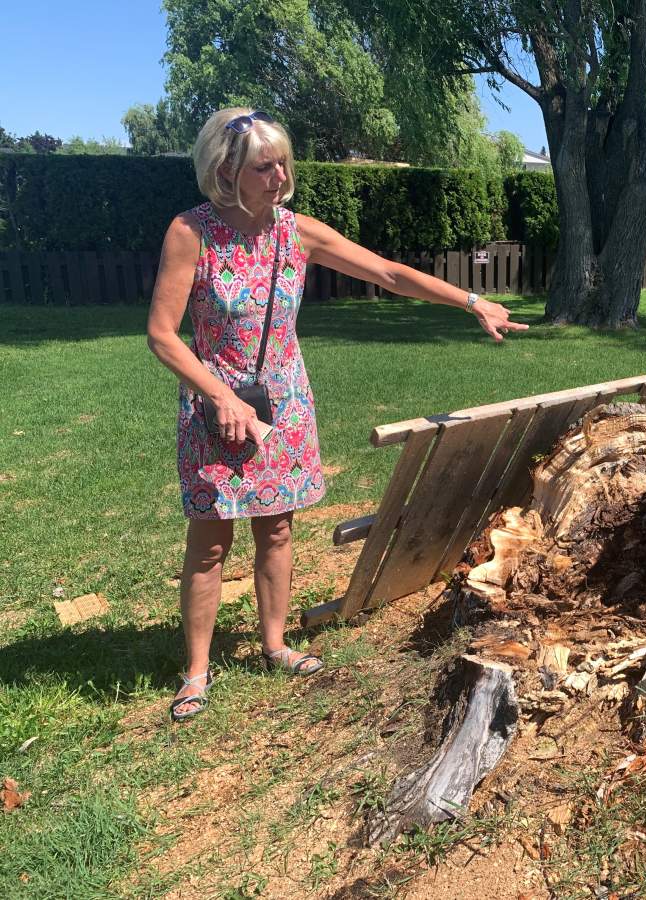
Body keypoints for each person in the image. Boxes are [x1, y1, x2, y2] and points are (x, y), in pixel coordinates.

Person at [147, 108, 527, 722]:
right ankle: (196, 670)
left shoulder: (295, 232)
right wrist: (220, 396)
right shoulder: (191, 232)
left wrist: (473, 300)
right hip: (216, 406)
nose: (278, 176)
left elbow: (387, 272)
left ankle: (273, 646)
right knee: (211, 539)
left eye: (282, 163)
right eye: (262, 167)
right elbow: (162, 335)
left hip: (284, 402)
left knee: (276, 528)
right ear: (226, 171)